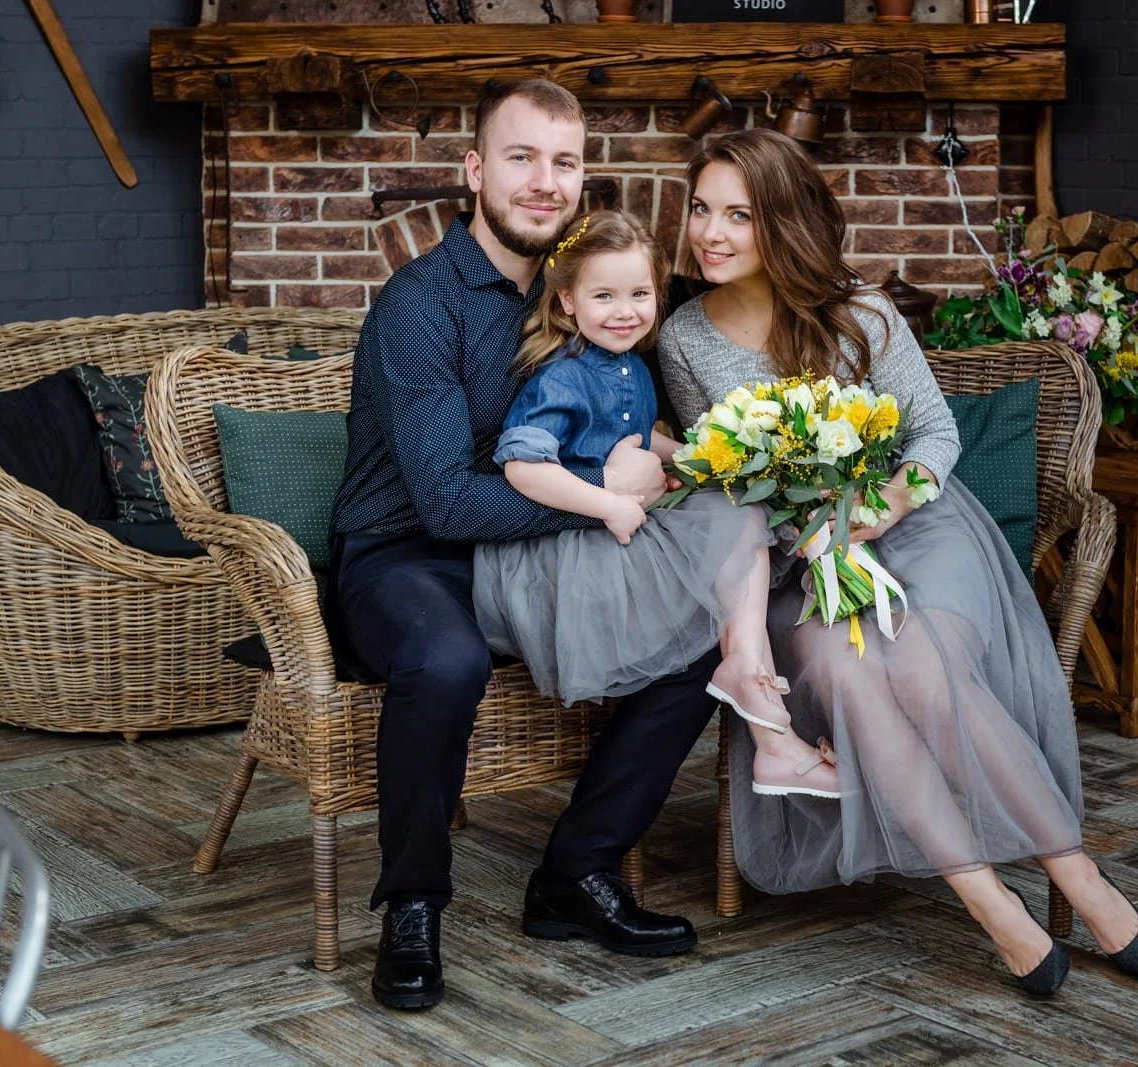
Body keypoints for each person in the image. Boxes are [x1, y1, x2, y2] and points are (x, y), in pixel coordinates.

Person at [655, 129, 1138, 997]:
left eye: (739, 215)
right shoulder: (683, 339)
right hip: (793, 560)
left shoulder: (861, 311)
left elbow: (934, 432)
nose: (710, 232)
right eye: (702, 209)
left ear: (783, 220)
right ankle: (993, 906)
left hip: (917, 527)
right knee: (846, 675)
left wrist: (879, 508)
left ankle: (1076, 871)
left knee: (922, 667)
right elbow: (723, 480)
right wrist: (807, 525)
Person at [329, 80, 706, 1013]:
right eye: (521, 157)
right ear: (475, 170)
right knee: (447, 659)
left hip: (531, 550)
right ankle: (413, 903)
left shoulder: (588, 295)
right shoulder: (421, 303)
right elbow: (448, 501)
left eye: (564, 161)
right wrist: (603, 501)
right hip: (405, 552)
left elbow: (629, 433)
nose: (545, 181)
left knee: (702, 634)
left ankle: (577, 871)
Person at [470, 210, 840, 799]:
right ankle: (759, 706)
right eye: (604, 296)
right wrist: (608, 505)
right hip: (573, 550)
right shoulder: (561, 379)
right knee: (734, 529)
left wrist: (705, 455)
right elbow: (522, 467)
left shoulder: (633, 367)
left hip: (623, 529)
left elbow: (642, 438)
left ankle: (758, 696)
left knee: (740, 511)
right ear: (567, 301)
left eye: (640, 294)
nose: (625, 312)